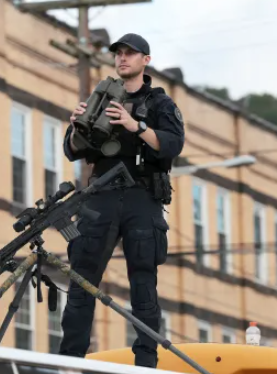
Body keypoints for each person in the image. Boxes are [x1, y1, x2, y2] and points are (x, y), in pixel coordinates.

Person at [58, 33, 185, 368]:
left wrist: (135, 125)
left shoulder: (160, 104)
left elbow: (172, 145)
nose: (123, 58)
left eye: (131, 53)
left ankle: (146, 362)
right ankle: (71, 361)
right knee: (82, 278)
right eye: (119, 54)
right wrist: (76, 127)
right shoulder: (101, 97)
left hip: (142, 197)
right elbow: (72, 150)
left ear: (146, 60)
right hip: (100, 195)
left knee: (143, 281)